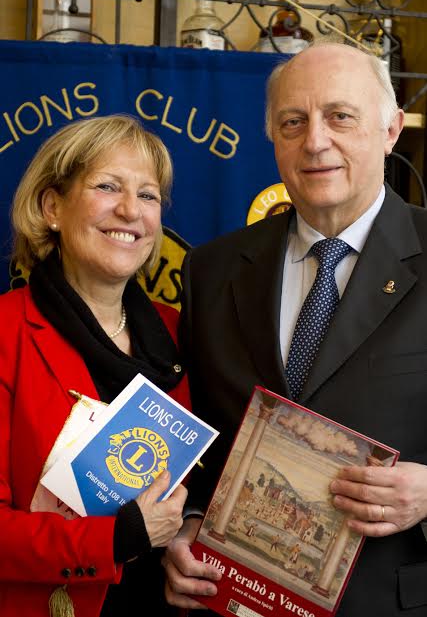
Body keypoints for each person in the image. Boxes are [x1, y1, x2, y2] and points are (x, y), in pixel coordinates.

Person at [162, 42, 427, 617]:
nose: (315, 141)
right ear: (273, 139)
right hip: (234, 597)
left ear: (390, 130)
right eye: (293, 122)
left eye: (340, 116)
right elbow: (200, 434)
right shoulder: (211, 270)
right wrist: (187, 524)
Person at [0, 115, 190, 617]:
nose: (130, 210)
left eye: (147, 195)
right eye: (108, 187)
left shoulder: (180, 333)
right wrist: (117, 538)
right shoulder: (6, 332)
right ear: (52, 207)